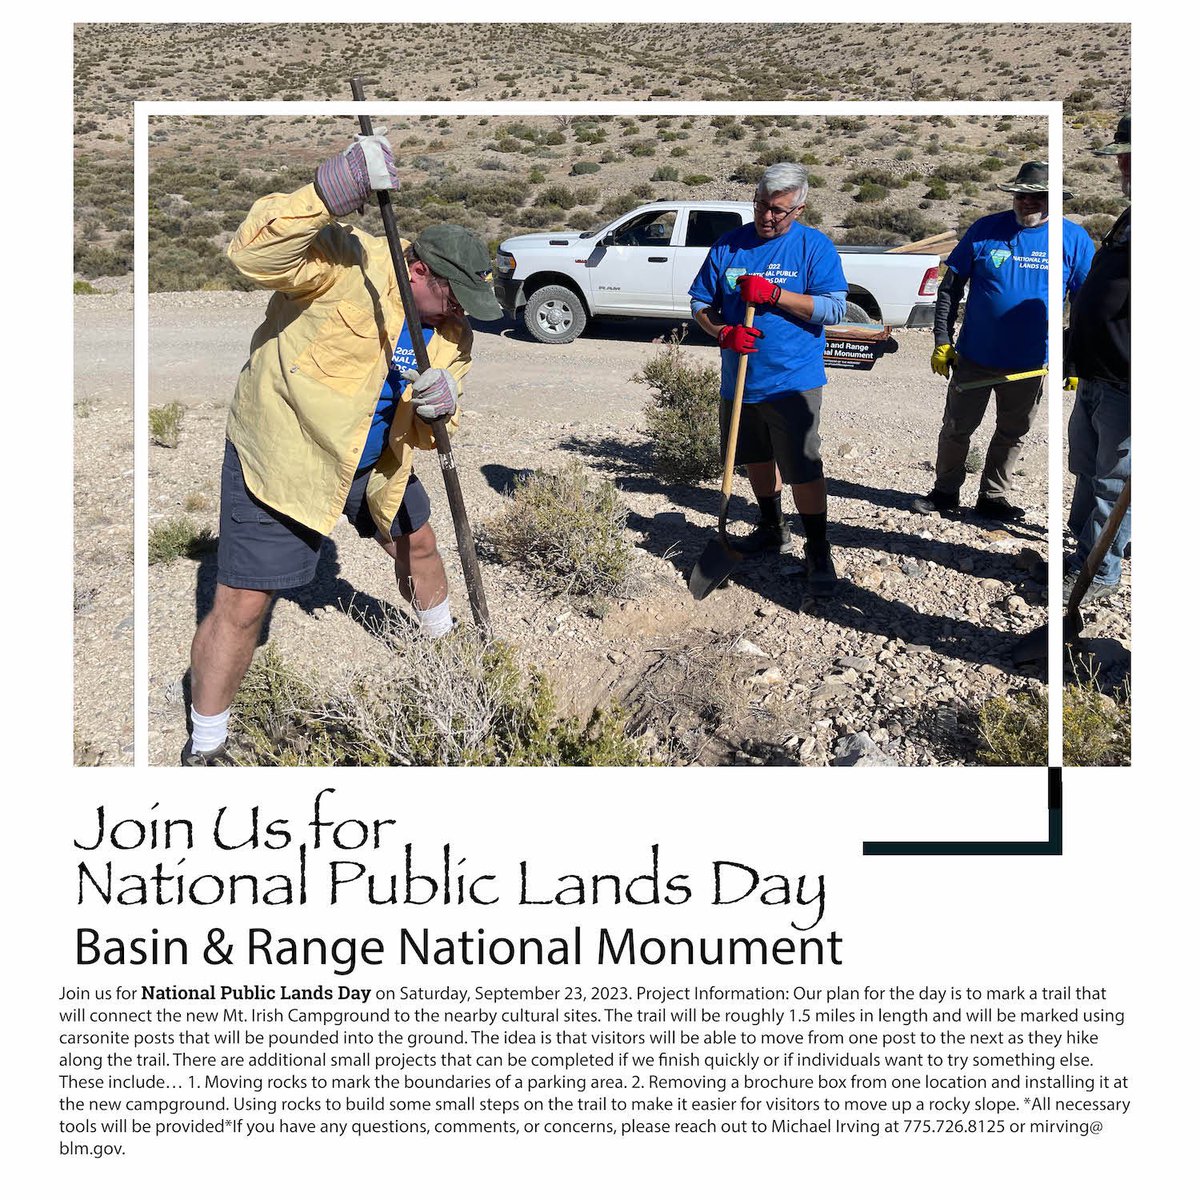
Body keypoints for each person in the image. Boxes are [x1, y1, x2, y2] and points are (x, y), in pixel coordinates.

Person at [184, 134, 501, 765]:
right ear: (418, 271)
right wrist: (325, 194)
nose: (458, 316)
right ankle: (207, 745)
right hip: (289, 454)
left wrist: (443, 404)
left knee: (419, 543)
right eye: (452, 299)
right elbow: (252, 254)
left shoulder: (452, 332)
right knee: (243, 605)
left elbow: (441, 411)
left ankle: (445, 656)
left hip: (376, 460)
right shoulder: (346, 261)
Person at [688, 162, 848, 596]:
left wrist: (776, 295)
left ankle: (818, 548)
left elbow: (834, 309)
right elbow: (700, 303)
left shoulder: (814, 247)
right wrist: (722, 331)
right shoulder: (729, 245)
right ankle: (772, 528)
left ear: (799, 209)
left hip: (793, 381)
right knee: (755, 458)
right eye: (761, 205)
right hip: (740, 379)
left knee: (803, 467)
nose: (767, 216)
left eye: (778, 210)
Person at [914, 161, 1095, 521]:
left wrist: (1075, 360)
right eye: (1020, 195)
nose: (1027, 202)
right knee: (956, 429)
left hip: (1031, 364)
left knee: (1012, 433)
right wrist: (942, 340)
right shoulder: (986, 229)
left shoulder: (1073, 239)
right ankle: (945, 492)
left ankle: (993, 497)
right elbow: (950, 288)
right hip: (974, 357)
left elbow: (1085, 304)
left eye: (1036, 196)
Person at [1064, 114, 1131, 604]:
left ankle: (1099, 572)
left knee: (1115, 480)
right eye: (1122, 157)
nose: (1122, 166)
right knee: (1088, 469)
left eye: (1132, 158)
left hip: (1128, 382)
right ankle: (1081, 555)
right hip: (1096, 373)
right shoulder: (1131, 217)